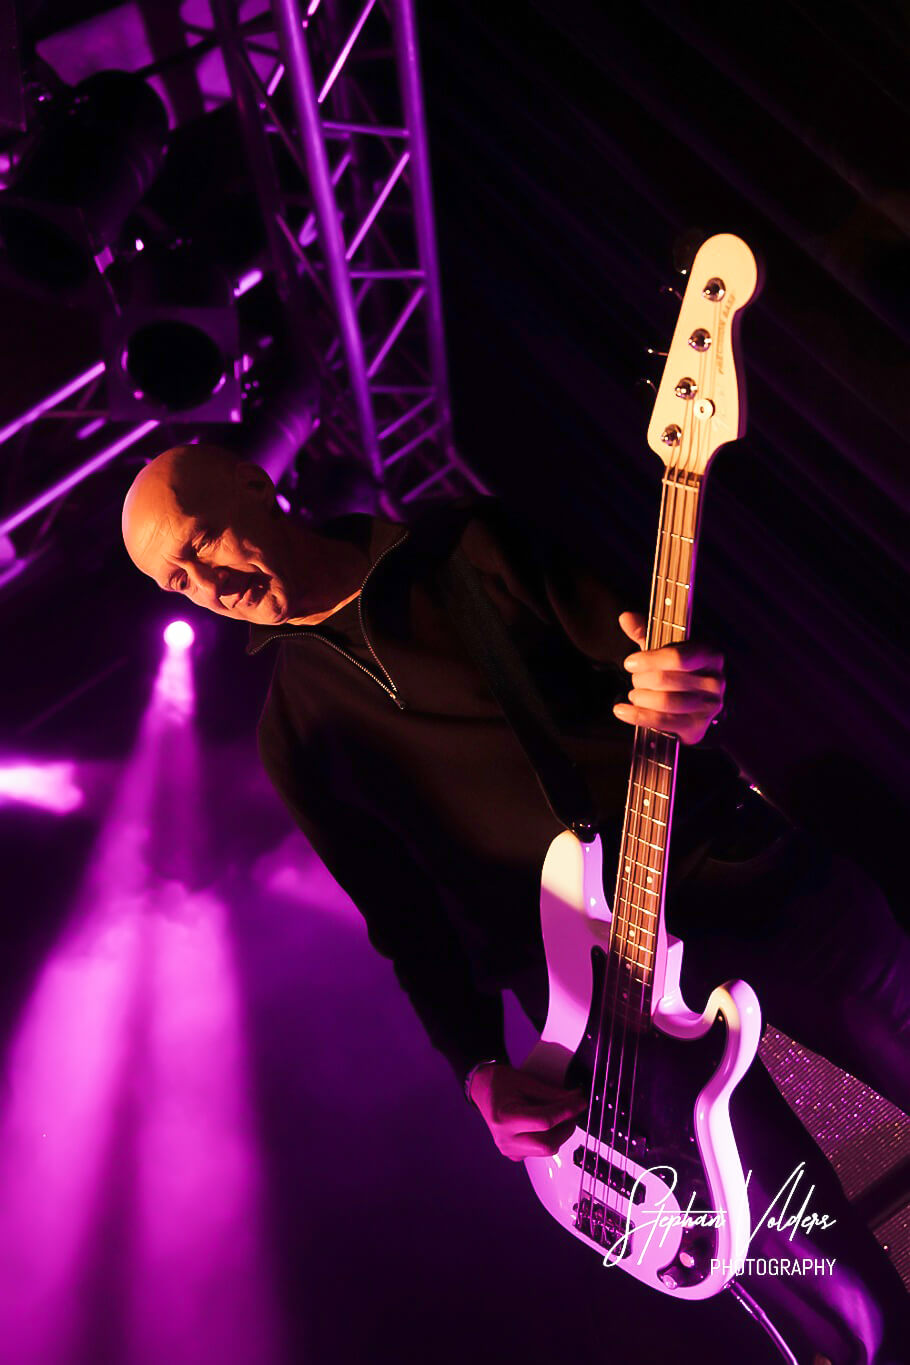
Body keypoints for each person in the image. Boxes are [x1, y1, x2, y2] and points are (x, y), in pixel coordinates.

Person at [122, 443, 909, 1362]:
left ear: (257, 484)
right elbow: (406, 924)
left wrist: (685, 684)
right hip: (604, 1020)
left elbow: (651, 654)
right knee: (814, 1282)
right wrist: (476, 1066)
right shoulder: (293, 733)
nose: (209, 585)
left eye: (204, 542)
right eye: (179, 581)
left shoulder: (469, 549)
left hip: (729, 876)